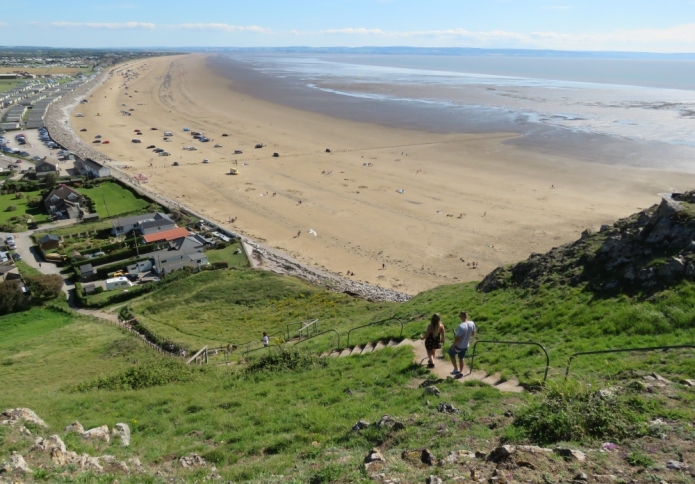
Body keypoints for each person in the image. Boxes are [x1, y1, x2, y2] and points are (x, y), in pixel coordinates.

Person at [448, 311, 476, 376]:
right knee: (461, 358)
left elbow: (457, 338)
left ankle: (455, 369)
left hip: (459, 346)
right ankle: (460, 372)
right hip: (466, 345)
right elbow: (473, 334)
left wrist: (454, 345)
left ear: (462, 317)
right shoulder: (472, 323)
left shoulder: (461, 326)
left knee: (451, 353)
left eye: (460, 316)